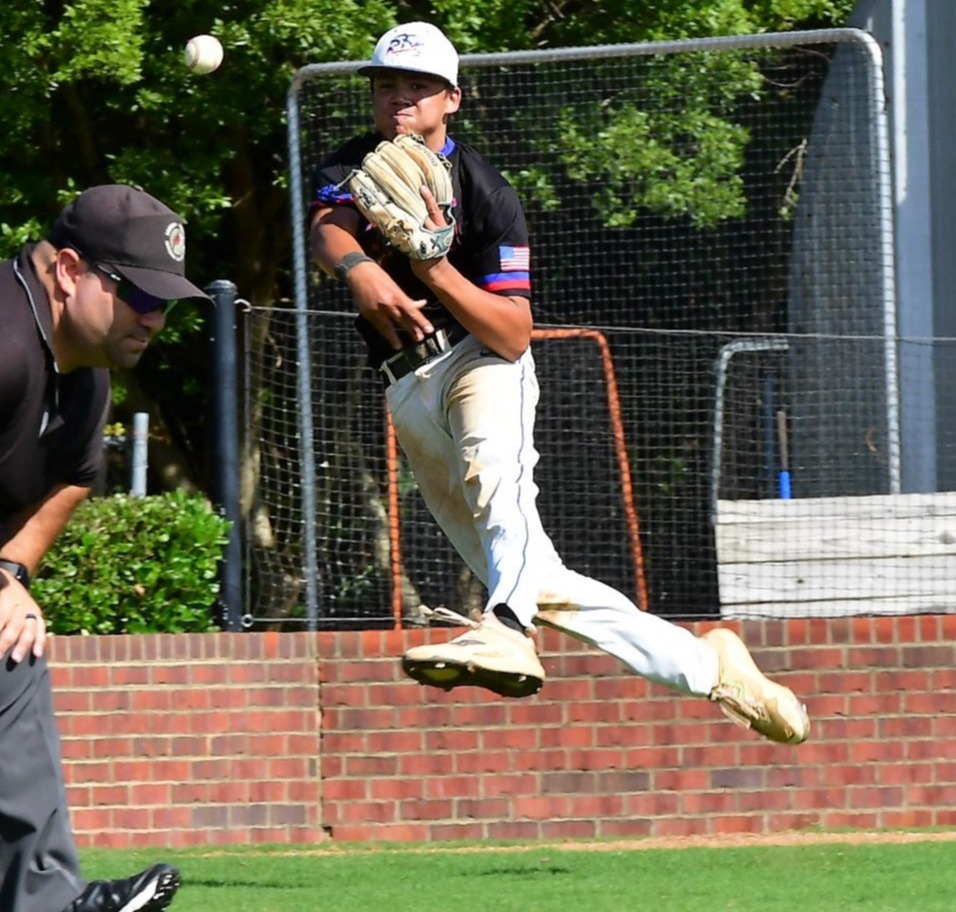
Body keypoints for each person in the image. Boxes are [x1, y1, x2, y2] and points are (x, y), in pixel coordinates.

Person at [309, 23, 810, 745]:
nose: (399, 99)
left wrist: (433, 270)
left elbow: (513, 333)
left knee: (495, 481)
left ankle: (506, 631)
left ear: (452, 99)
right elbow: (329, 228)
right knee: (533, 578)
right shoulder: (356, 161)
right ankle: (709, 667)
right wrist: (357, 268)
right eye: (386, 84)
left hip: (481, 364)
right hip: (403, 381)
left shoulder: (487, 193)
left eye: (418, 87)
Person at [0, 183, 210, 911]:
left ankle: (45, 903)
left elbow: (74, 478)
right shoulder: (4, 342)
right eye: (139, 294)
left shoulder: (84, 379)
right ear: (68, 271)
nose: (155, 318)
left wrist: (9, 571)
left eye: (167, 302)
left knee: (11, 646)